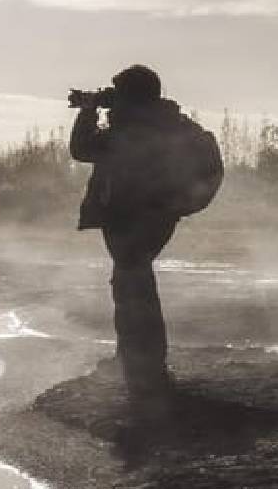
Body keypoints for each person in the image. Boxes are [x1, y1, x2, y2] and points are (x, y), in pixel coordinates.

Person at [69, 64, 199, 411]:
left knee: (131, 284)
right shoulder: (172, 123)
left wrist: (88, 111)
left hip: (127, 213)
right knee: (133, 280)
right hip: (160, 213)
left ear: (130, 97)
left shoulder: (130, 131)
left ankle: (144, 368)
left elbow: (81, 149)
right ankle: (137, 361)